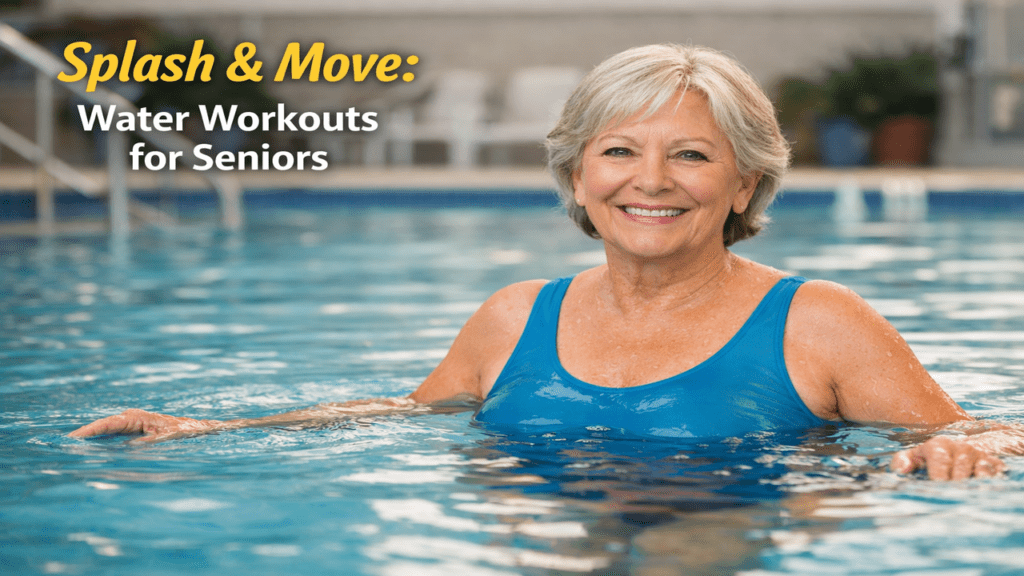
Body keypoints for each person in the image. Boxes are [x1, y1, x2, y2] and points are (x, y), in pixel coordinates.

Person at [70, 44, 1021, 480]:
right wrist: (207, 429)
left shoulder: (819, 324)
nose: (650, 181)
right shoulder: (513, 316)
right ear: (575, 177)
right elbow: (403, 414)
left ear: (744, 185)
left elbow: (984, 433)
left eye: (690, 154)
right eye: (618, 152)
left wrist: (967, 449)